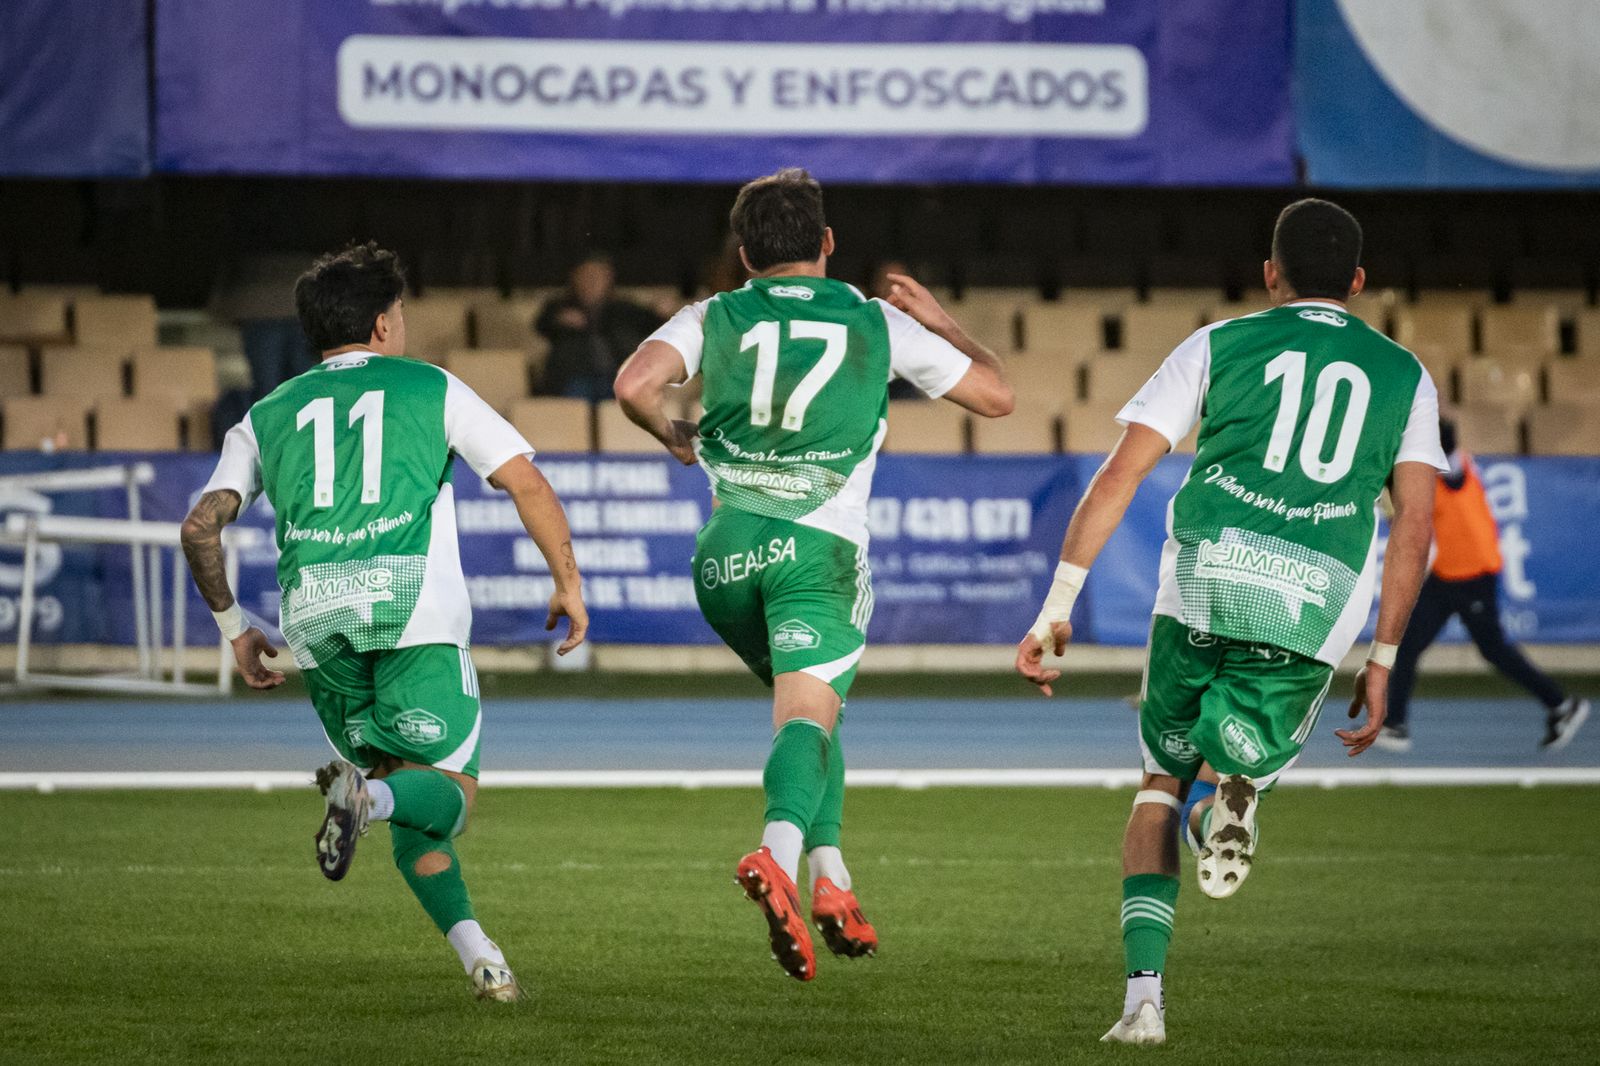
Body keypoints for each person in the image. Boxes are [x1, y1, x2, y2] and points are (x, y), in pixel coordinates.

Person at [1015, 199, 1448, 1046]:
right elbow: (1417, 527)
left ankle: (1144, 1000)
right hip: (1314, 596)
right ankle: (1232, 794)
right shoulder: (1405, 376)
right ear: (1358, 284)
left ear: (1270, 275)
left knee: (1153, 786)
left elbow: (1119, 476)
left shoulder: (1216, 344)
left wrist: (1056, 606)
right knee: (1240, 745)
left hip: (1206, 579)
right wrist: (1387, 657)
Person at [614, 168, 1013, 981]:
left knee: (814, 718)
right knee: (806, 717)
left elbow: (632, 385)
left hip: (723, 558)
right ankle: (779, 856)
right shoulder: (875, 322)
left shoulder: (712, 315)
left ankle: (835, 885)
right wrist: (943, 322)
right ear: (827, 244)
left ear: (744, 253)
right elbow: (999, 397)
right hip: (815, 553)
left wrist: (669, 431)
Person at [179, 241, 588, 1002]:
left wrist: (237, 627)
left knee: (405, 804)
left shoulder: (265, 414)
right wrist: (567, 581)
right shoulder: (433, 388)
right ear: (379, 324)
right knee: (450, 795)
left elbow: (201, 528)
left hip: (316, 626)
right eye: (397, 313)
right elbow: (524, 481)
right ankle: (365, 801)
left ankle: (483, 961)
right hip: (413, 615)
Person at [1377, 417, 1589, 752]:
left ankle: (1562, 704)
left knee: (1493, 649)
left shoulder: (1451, 469)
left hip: (1473, 576)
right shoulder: (1432, 471)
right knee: (1408, 645)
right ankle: (1396, 724)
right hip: (1448, 574)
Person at [535, 254, 666, 400]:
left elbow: (651, 325)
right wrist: (559, 319)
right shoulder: (559, 306)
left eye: (598, 276)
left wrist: (661, 314)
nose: (592, 281)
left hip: (616, 375)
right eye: (587, 275)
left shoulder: (623, 309)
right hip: (574, 377)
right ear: (575, 278)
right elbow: (541, 325)